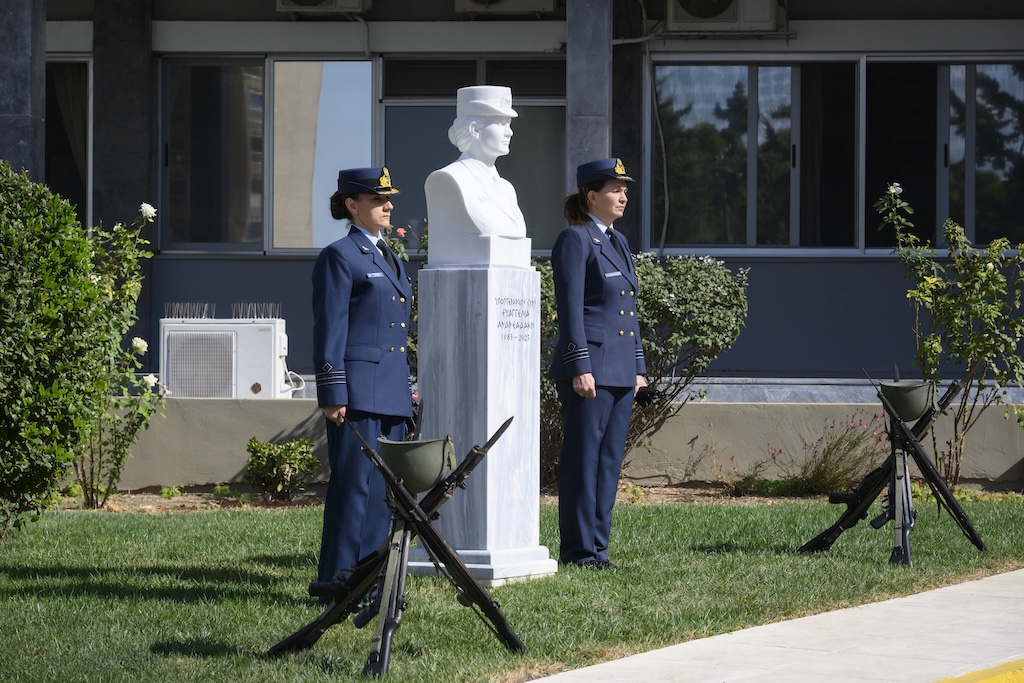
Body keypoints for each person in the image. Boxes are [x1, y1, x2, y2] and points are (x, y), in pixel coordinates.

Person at [312, 166, 414, 593]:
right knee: (354, 486)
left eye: (388, 198)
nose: (388, 205)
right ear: (352, 205)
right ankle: (338, 580)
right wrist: (332, 392)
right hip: (356, 392)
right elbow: (329, 329)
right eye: (377, 199)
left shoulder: (387, 254)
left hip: (389, 391)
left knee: (382, 492)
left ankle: (369, 577)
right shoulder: (340, 255)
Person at [548, 157, 648, 570]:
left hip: (621, 369)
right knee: (582, 462)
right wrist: (578, 365)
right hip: (591, 369)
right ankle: (578, 550)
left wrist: (638, 367)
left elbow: (628, 310)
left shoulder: (617, 242)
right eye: (614, 190)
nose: (623, 196)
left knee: (608, 463)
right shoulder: (575, 239)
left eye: (624, 189)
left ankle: (598, 550)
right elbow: (569, 309)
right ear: (592, 196)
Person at [424, 85, 531, 268]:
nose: (509, 132)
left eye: (509, 124)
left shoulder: (506, 188)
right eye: (501, 123)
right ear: (474, 129)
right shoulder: (449, 178)